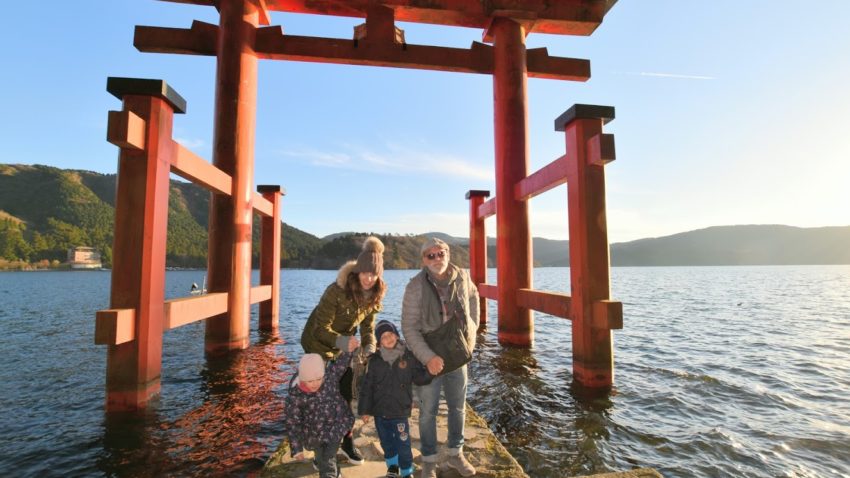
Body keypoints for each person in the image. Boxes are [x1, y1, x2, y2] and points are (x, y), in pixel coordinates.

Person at [301, 235, 387, 464]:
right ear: (357, 271)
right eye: (365, 272)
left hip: (341, 349)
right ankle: (320, 452)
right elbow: (321, 329)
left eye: (374, 273)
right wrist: (341, 342)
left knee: (346, 396)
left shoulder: (374, 296)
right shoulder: (336, 290)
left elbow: (368, 328)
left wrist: (369, 347)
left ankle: (347, 444)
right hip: (315, 344)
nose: (369, 278)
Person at [401, 237, 480, 478]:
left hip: (458, 355)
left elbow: (475, 297)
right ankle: (429, 460)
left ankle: (455, 453)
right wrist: (427, 358)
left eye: (441, 253)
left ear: (448, 253)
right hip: (431, 356)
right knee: (428, 412)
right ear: (423, 260)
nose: (437, 258)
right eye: (430, 255)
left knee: (458, 408)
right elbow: (409, 328)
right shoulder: (414, 286)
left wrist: (472, 333)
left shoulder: (462, 276)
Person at [358, 320, 433, 478]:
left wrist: (431, 372)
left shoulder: (408, 356)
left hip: (400, 411)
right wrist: (364, 410)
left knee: (403, 444)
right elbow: (367, 388)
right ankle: (392, 467)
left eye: (390, 334)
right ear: (379, 342)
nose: (388, 338)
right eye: (384, 336)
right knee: (386, 443)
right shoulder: (374, 361)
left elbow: (420, 377)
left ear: (397, 335)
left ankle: (406, 470)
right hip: (380, 413)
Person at [282, 344, 357, 478]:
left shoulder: (329, 378)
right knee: (322, 457)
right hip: (314, 434)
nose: (315, 383)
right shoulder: (296, 397)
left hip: (334, 427)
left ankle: (330, 473)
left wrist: (348, 347)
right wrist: (296, 448)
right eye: (310, 381)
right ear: (302, 379)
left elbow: (341, 364)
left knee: (327, 459)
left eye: (318, 379)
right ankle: (334, 470)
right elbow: (292, 423)